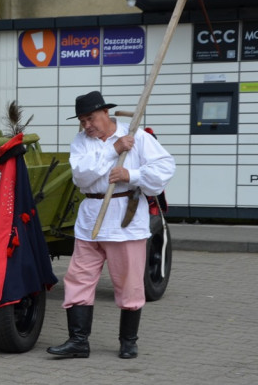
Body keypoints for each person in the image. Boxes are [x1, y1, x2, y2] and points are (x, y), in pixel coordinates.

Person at [48, 90, 175, 360]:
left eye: (90, 118)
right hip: (91, 218)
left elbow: (165, 167)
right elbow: (81, 176)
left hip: (124, 221)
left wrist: (133, 174)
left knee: (129, 283)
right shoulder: (82, 142)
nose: (86, 126)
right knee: (78, 278)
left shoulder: (137, 136)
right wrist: (113, 150)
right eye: (81, 121)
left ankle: (128, 341)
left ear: (106, 113)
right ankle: (78, 341)